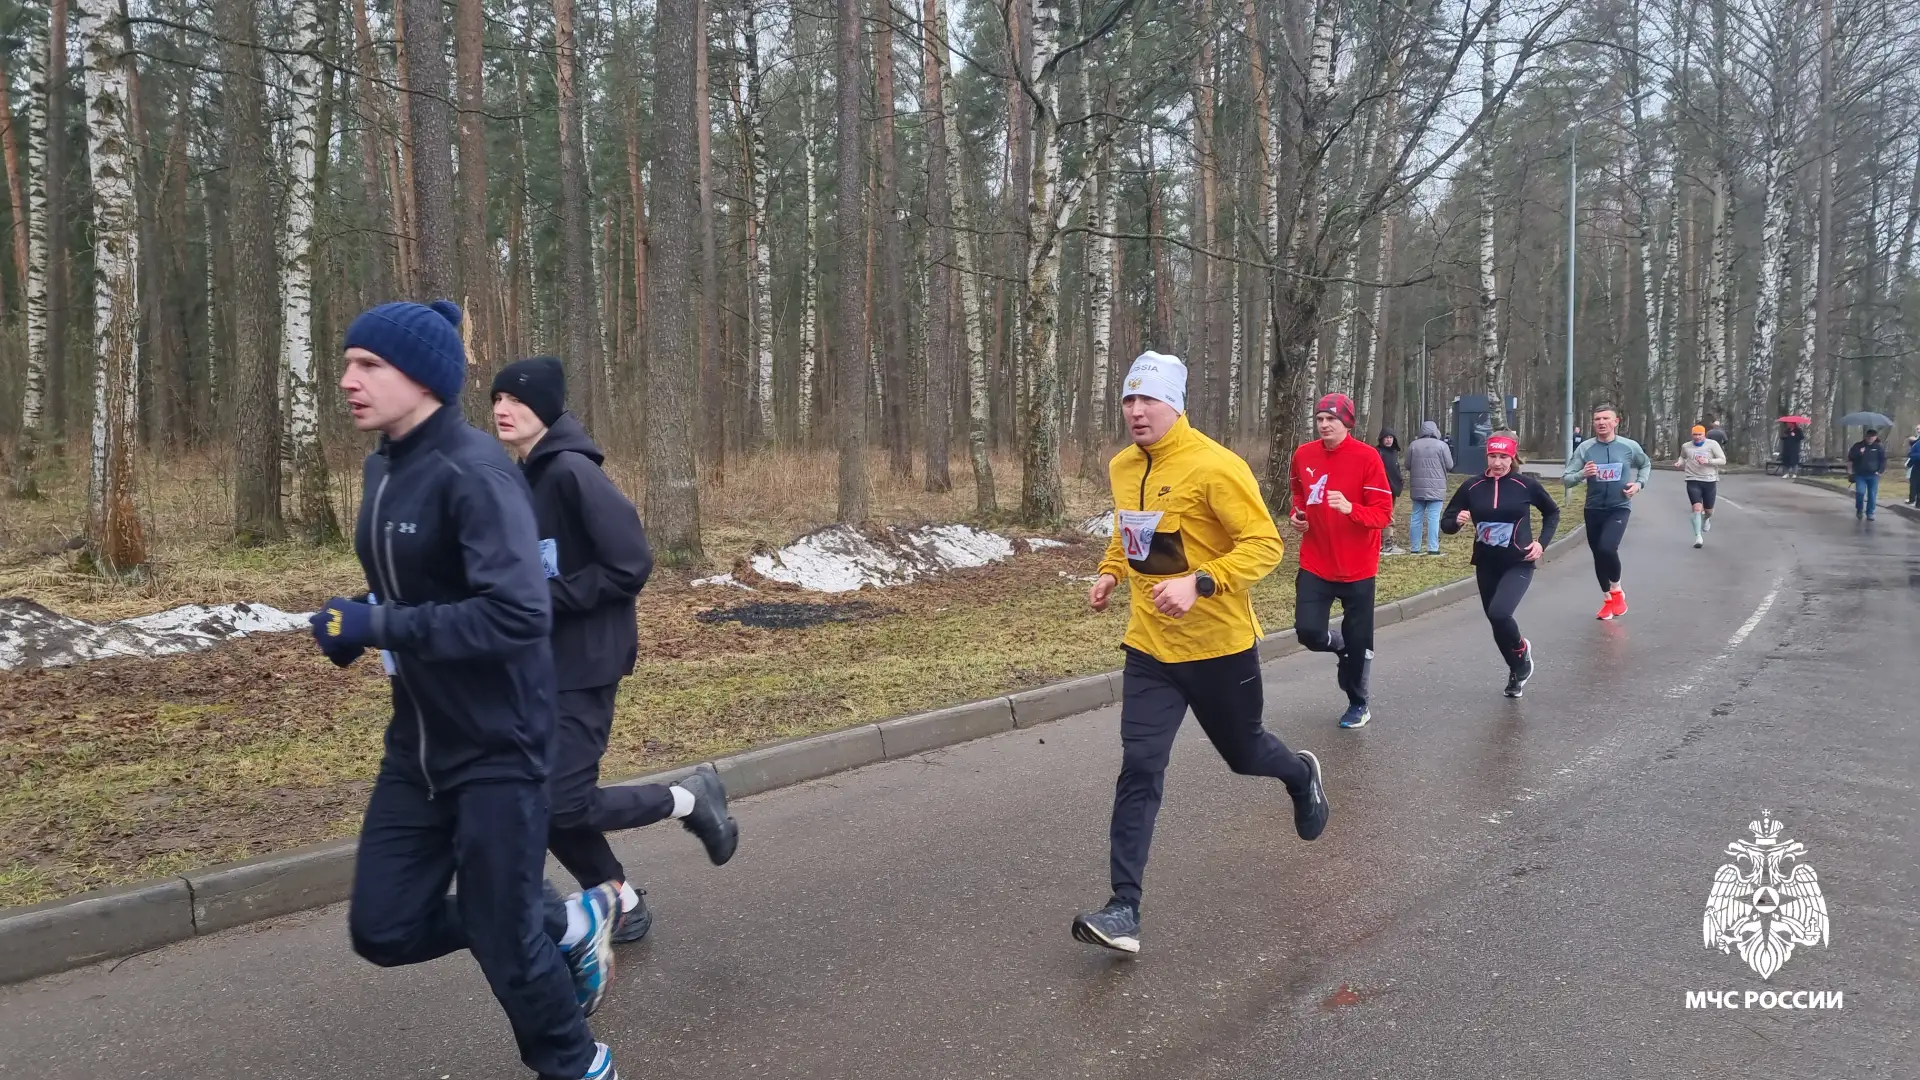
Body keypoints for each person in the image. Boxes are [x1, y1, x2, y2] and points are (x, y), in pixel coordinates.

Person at [314, 301, 620, 1080]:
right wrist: (359, 621)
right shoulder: (383, 467)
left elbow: (517, 614)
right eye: (347, 363)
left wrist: (381, 624)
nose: (348, 379)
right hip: (417, 745)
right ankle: (564, 918)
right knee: (383, 929)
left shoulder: (475, 471)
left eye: (369, 365)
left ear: (423, 376)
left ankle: (580, 1064)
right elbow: (419, 586)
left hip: (498, 745)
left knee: (502, 937)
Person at [1073, 351, 1329, 956]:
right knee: (1140, 765)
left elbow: (1264, 545)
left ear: (1175, 404)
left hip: (1219, 649)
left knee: (1246, 755)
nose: (1136, 411)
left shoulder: (1216, 465)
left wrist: (1201, 582)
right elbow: (1130, 534)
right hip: (1150, 649)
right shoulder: (1122, 465)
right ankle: (1123, 908)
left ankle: (1300, 775)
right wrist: (1111, 573)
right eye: (1129, 399)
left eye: (1149, 399)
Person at [491, 356, 740, 948]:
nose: (502, 409)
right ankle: (621, 903)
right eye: (496, 399)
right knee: (539, 800)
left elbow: (630, 563)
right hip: (537, 663)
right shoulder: (523, 477)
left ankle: (689, 799)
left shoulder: (572, 471)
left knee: (559, 800)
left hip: (585, 660)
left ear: (546, 408)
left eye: (517, 400)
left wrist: (543, 597)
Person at [1289, 392, 1395, 728]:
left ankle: (1358, 703)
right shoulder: (1304, 454)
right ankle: (1338, 644)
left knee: (1359, 644)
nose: (1324, 425)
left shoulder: (1367, 457)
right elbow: (1299, 495)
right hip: (1316, 560)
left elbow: (1383, 514)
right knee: (1308, 631)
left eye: (1331, 419)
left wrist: (1351, 509)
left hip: (1358, 566)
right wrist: (1297, 516)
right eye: (1320, 419)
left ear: (1347, 423)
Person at [1440, 435, 1558, 697]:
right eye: (1493, 456)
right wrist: (1456, 522)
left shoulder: (1525, 485)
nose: (1497, 463)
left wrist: (1541, 543)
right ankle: (1517, 670)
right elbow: (1446, 523)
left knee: (1500, 613)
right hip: (1486, 563)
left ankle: (1521, 650)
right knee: (1496, 621)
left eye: (1503, 457)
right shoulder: (1472, 486)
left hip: (1519, 561)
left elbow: (1552, 513)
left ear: (1512, 458)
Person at [1562, 404, 1652, 621]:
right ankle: (1607, 599)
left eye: (1605, 418)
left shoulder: (1628, 446)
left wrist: (1639, 484)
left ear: (1615, 422)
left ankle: (1617, 590)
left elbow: (1645, 464)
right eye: (1597, 419)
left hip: (1619, 506)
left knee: (1607, 547)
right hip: (1593, 508)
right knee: (1598, 555)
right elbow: (1567, 478)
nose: (1601, 422)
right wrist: (1582, 474)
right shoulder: (1585, 448)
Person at [1675, 424, 1727, 548]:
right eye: (1695, 435)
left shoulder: (1712, 444)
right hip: (1692, 479)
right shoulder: (1686, 446)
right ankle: (1698, 537)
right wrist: (1679, 462)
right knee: (1697, 508)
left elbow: (1723, 460)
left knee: (1709, 511)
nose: (1697, 437)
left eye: (1700, 435)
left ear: (1704, 435)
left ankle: (1707, 518)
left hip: (1709, 480)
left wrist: (1708, 461)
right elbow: (1683, 456)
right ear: (1691, 435)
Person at [1406, 420, 1453, 555]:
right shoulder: (1442, 445)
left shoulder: (1413, 445)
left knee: (1416, 517)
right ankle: (1433, 548)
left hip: (1418, 487)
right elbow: (1450, 465)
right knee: (1433, 518)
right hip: (1437, 488)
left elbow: (1408, 465)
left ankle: (1415, 548)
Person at [1375, 429, 1405, 553]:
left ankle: (1386, 541)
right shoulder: (1378, 452)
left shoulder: (1393, 453)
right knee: (1385, 516)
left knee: (1389, 515)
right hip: (1382, 489)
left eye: (1391, 437)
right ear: (1382, 439)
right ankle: (1385, 543)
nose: (1388, 440)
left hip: (1392, 490)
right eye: (1386, 437)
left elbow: (1395, 471)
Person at [1848, 428, 1887, 520]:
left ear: (1875, 437)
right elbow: (1851, 457)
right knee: (1860, 492)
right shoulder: (1858, 446)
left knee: (1872, 495)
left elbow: (1883, 460)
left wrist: (1880, 471)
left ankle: (1870, 512)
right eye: (1869, 436)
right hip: (1860, 474)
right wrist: (1859, 453)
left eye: (1873, 437)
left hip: (1873, 475)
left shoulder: (1878, 447)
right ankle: (1859, 509)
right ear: (1865, 437)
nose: (1870, 438)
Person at [1906, 426, 1920, 506]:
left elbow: (1913, 455)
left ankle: (1915, 501)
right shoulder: (1917, 443)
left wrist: (1909, 464)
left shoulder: (1917, 444)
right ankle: (1916, 502)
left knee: (1915, 484)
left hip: (1917, 466)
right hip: (1917, 466)